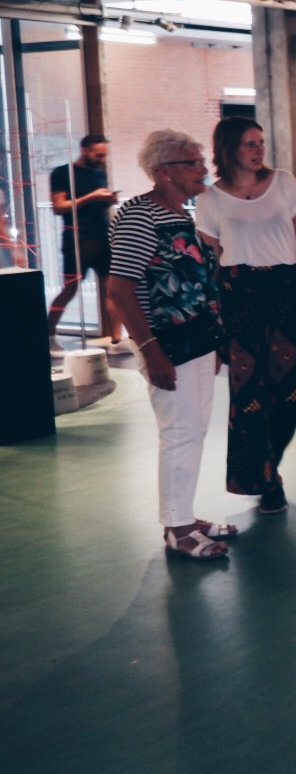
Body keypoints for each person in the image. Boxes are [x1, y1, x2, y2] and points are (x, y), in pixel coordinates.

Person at [106, 130, 232, 561]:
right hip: (168, 343)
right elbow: (120, 290)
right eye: (192, 162)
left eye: (201, 161)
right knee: (179, 432)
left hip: (195, 339)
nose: (204, 169)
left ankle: (185, 516)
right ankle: (178, 529)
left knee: (193, 430)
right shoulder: (140, 216)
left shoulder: (178, 212)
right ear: (164, 171)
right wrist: (151, 349)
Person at [194, 118, 296, 515]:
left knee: (292, 393)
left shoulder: (283, 183)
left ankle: (268, 465)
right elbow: (213, 265)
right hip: (239, 297)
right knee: (249, 394)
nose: (258, 149)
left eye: (261, 142)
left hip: (286, 291)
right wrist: (216, 322)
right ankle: (268, 481)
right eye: (250, 143)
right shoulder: (210, 200)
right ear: (229, 148)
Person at [47, 134, 121, 343]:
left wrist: (108, 200)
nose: (101, 159)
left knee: (112, 290)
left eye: (104, 155)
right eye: (98, 155)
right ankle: (48, 334)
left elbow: (96, 205)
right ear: (85, 150)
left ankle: (117, 338)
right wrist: (92, 197)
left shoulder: (99, 172)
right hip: (77, 239)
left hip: (103, 237)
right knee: (70, 289)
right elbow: (59, 207)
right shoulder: (62, 173)